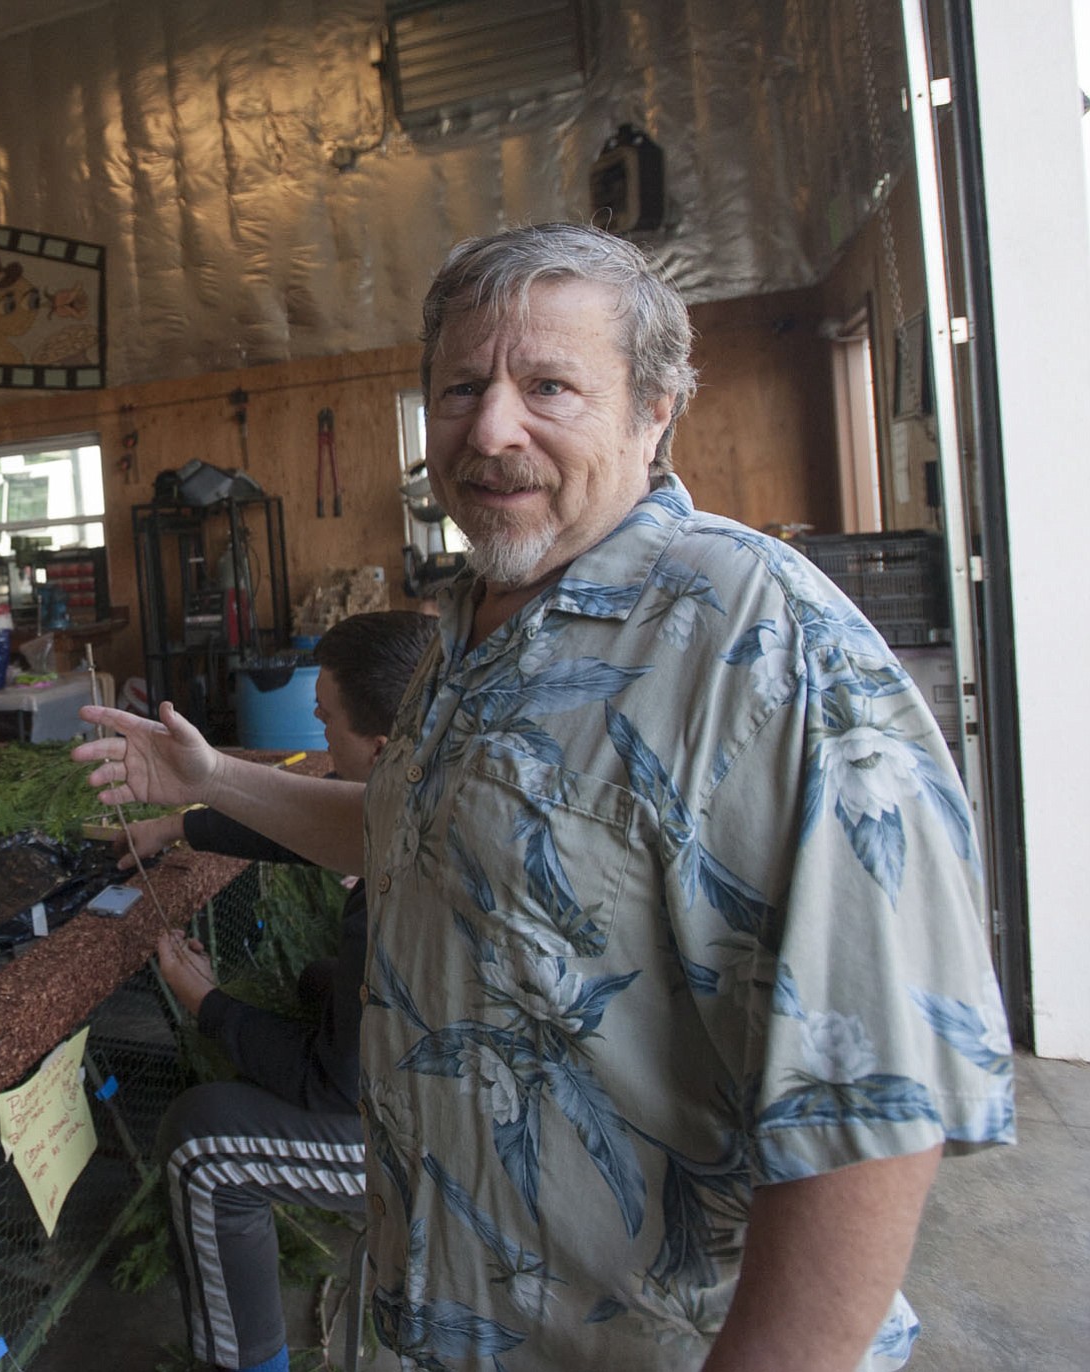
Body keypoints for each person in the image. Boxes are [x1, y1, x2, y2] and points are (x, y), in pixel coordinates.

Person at [78, 223, 1014, 1372]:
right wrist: (210, 777)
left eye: (547, 385)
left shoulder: (759, 643)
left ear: (655, 406)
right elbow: (415, 832)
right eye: (460, 387)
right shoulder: (471, 627)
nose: (490, 427)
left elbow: (878, 1093)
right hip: (458, 1323)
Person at [133, 611, 435, 1372]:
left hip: (435, 1153)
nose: (314, 723)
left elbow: (333, 1086)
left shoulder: (390, 904)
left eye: (324, 715)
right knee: (319, 983)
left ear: (377, 749)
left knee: (203, 1143)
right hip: (446, 1077)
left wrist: (207, 1004)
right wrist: (178, 825)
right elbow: (307, 821)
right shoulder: (432, 784)